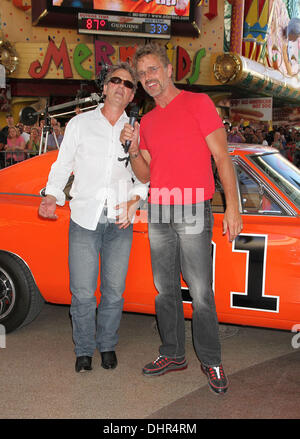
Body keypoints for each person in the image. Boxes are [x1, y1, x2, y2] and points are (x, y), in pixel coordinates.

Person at [121, 43, 243, 395]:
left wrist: (233, 206)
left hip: (193, 207)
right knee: (165, 290)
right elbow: (144, 175)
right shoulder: (146, 120)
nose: (148, 79)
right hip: (159, 208)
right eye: (142, 74)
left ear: (169, 69)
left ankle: (211, 359)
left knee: (201, 291)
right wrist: (132, 152)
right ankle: (173, 353)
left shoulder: (198, 104)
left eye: (153, 70)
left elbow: (222, 157)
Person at [38, 61, 148, 373]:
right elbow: (63, 165)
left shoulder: (137, 131)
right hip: (84, 220)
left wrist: (135, 201)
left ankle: (107, 345)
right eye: (116, 80)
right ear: (104, 86)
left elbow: (144, 179)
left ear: (131, 97)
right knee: (83, 292)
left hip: (119, 222)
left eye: (128, 85)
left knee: (114, 291)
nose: (121, 87)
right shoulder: (80, 124)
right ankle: (84, 349)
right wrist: (51, 194)